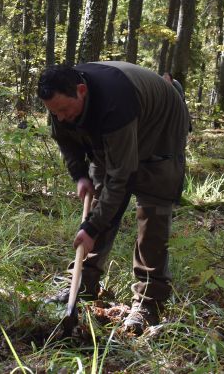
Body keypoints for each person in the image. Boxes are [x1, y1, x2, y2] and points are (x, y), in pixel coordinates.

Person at [38, 61, 190, 335]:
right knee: (100, 197)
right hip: (112, 130)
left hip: (160, 127)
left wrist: (91, 228)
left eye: (63, 110)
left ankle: (148, 301)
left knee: (152, 207)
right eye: (54, 112)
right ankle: (83, 283)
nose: (59, 117)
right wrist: (80, 175)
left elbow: (123, 178)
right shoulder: (61, 104)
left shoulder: (114, 103)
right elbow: (66, 140)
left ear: (81, 91)